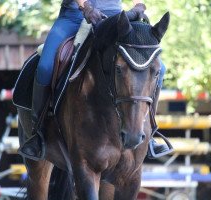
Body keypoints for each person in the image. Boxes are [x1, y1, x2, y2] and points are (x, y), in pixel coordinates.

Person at [19, 0, 169, 161]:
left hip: (115, 18)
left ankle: (151, 132)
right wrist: (86, 6)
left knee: (160, 69)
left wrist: (139, 5)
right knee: (45, 67)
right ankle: (38, 133)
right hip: (74, 17)